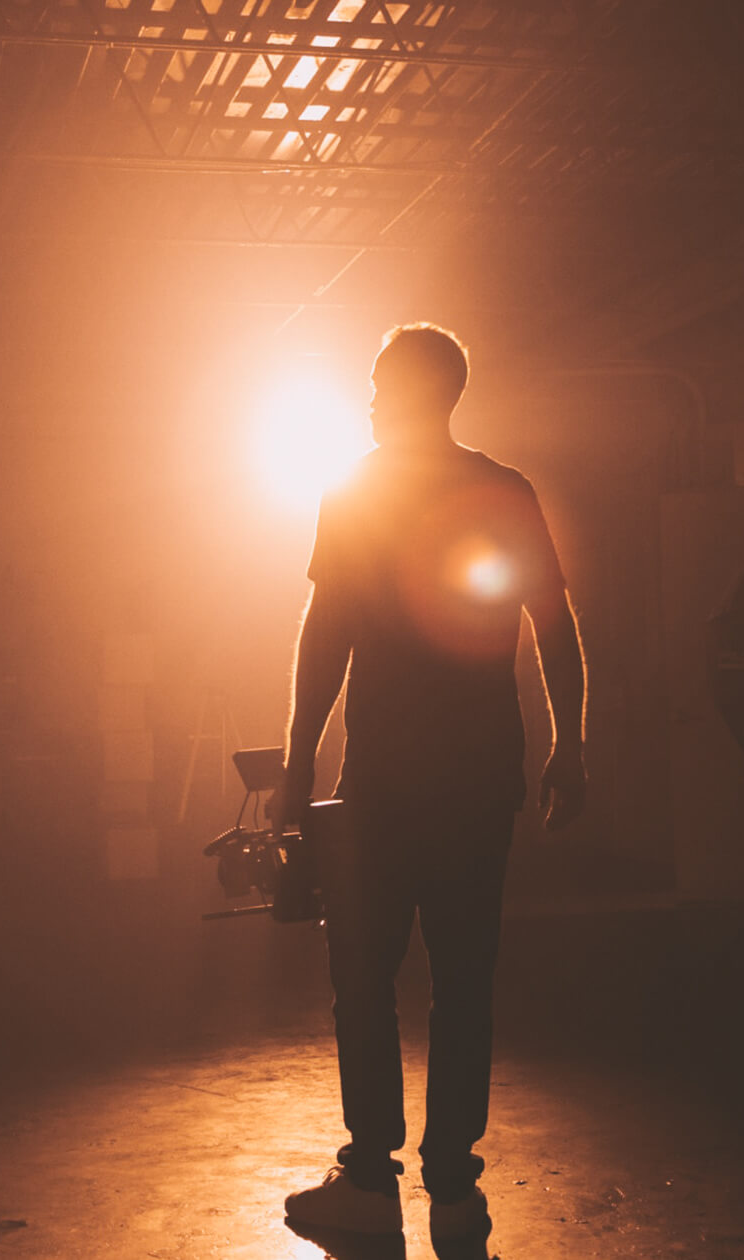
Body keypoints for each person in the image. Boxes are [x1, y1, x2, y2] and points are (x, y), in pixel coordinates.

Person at [274, 323, 587, 1244]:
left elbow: (325, 632)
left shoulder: (358, 493)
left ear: (420, 392)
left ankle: (371, 1176)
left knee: (364, 983)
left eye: (380, 384)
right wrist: (570, 745)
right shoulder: (501, 488)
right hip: (477, 779)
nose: (369, 399)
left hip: (385, 789)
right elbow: (553, 624)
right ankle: (451, 1182)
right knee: (464, 984)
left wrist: (299, 759)